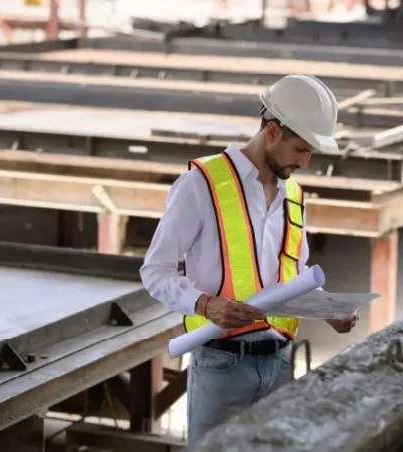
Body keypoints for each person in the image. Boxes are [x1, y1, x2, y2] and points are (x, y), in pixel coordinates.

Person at [139, 74, 359, 444]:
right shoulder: (201, 184)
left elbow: (293, 273)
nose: (305, 162)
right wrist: (205, 305)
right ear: (272, 131)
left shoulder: (294, 194)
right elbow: (155, 271)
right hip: (222, 363)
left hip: (279, 361)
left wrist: (327, 309)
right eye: (301, 149)